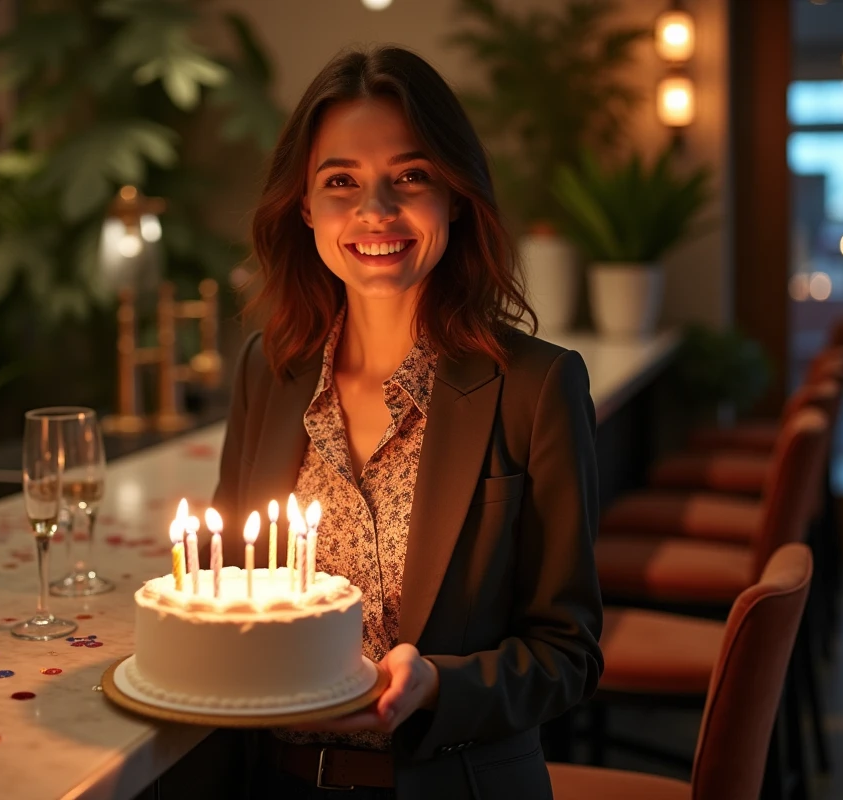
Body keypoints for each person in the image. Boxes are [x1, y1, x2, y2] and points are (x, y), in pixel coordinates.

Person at [211, 45, 603, 800]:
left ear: (455, 195)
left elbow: (568, 654)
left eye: (411, 177)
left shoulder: (536, 386)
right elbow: (232, 587)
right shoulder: (269, 370)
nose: (376, 211)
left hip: (453, 783)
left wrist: (435, 686)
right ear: (304, 207)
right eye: (340, 182)